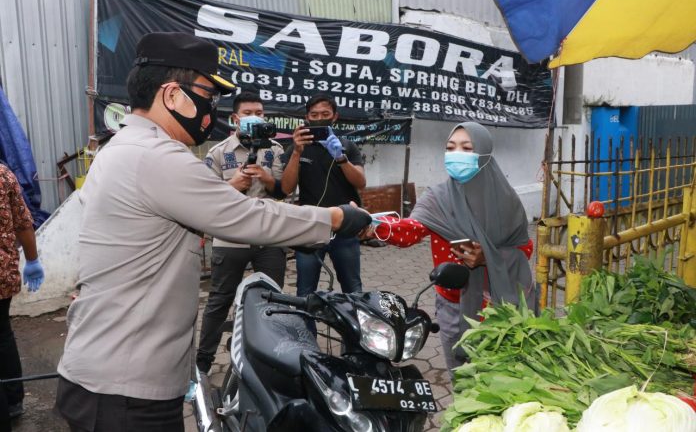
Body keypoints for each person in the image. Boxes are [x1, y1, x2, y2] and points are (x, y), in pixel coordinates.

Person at [53, 32, 370, 432]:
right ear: (172, 95)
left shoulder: (122, 147)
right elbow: (248, 215)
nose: (211, 109)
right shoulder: (154, 156)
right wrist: (336, 218)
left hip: (111, 371)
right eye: (207, 94)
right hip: (125, 390)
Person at [370, 122, 534, 375]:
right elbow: (411, 230)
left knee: (498, 376)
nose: (456, 154)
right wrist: (372, 226)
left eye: (467, 148)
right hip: (452, 304)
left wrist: (488, 257)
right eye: (450, 147)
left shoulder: (506, 201)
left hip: (499, 303)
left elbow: (524, 248)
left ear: (484, 154)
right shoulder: (437, 198)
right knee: (460, 376)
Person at [196, 91, 287, 374]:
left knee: (273, 300)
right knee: (219, 301)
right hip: (230, 239)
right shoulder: (218, 152)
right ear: (235, 118)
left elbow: (284, 192)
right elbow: (203, 198)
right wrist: (232, 186)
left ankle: (270, 360)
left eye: (259, 113)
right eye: (248, 113)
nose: (255, 117)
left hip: (268, 238)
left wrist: (268, 179)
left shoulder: (275, 150)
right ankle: (203, 364)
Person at [281, 94, 366, 306]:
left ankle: (354, 328)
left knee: (353, 289)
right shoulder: (297, 148)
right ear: (307, 118)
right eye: (314, 115)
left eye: (325, 114)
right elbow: (286, 188)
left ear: (335, 117)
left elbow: (361, 182)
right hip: (309, 228)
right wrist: (296, 153)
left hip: (344, 228)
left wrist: (341, 158)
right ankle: (305, 327)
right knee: (305, 291)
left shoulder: (346, 146)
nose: (320, 118)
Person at [0, 163, 44, 429]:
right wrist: (32, 259)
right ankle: (14, 399)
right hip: (2, 275)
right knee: (2, 334)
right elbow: (23, 223)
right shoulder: (3, 175)